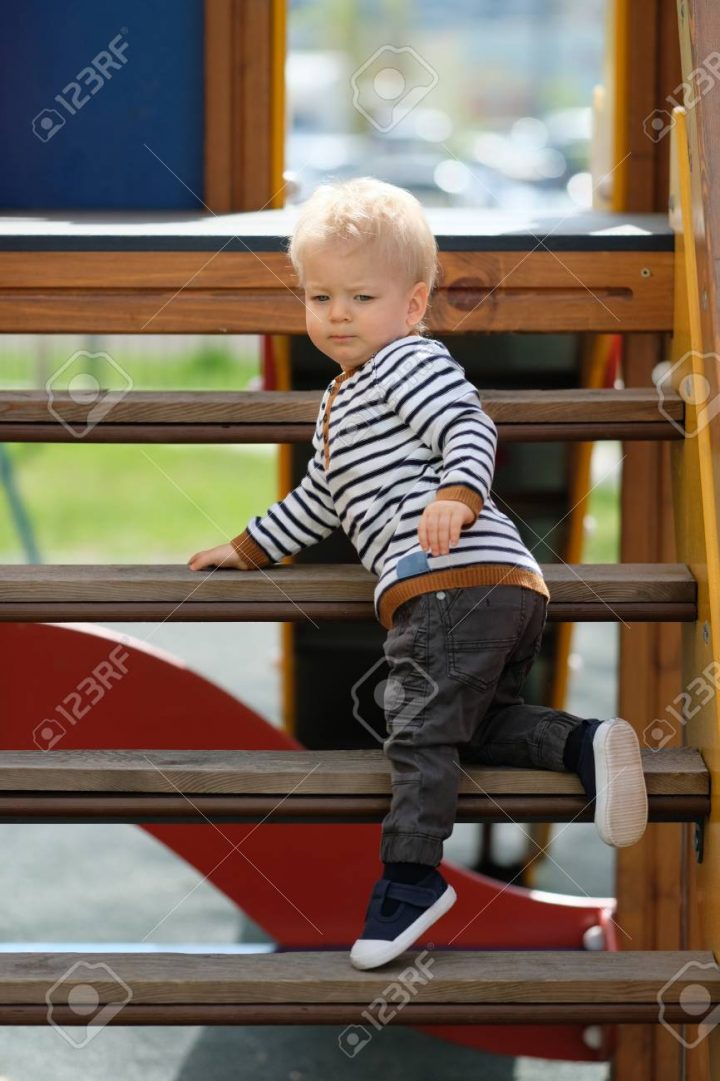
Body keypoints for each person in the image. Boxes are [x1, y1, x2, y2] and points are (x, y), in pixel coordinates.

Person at [187, 176, 648, 971]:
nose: (336, 314)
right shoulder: (339, 402)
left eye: (360, 296)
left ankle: (410, 877)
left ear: (411, 304)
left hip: (451, 580)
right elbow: (319, 498)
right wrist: (250, 547)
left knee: (418, 728)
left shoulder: (407, 362)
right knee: (472, 728)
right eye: (319, 295)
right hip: (492, 592)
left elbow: (469, 423)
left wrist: (458, 492)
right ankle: (583, 744)